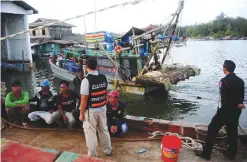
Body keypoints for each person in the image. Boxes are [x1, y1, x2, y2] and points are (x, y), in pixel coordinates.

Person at [196, 60, 245, 161]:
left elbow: (224, 100)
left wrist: (222, 111)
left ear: (225, 69)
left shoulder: (224, 81)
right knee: (233, 132)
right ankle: (231, 154)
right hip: (236, 111)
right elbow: (241, 98)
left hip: (225, 111)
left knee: (212, 129)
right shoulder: (241, 81)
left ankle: (206, 154)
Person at [79, 58, 112, 157]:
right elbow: (106, 93)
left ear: (87, 67)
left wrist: (81, 114)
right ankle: (108, 150)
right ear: (97, 66)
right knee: (104, 130)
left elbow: (84, 99)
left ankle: (93, 156)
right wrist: (103, 104)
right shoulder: (103, 77)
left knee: (91, 133)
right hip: (102, 108)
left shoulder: (86, 80)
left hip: (91, 111)